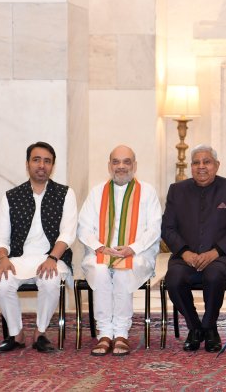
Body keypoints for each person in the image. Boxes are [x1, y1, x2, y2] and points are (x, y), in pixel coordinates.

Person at [161, 144, 226, 353]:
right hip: (185, 256)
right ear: (191, 167)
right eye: (196, 163)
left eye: (206, 162)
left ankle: (209, 327)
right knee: (173, 280)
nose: (201, 167)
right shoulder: (177, 190)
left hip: (220, 257)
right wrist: (185, 253)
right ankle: (195, 328)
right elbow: (167, 228)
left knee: (214, 276)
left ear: (216, 165)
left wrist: (215, 252)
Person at [0, 141, 77, 353]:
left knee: (50, 279)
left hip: (52, 257)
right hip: (18, 258)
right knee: (1, 283)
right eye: (36, 160)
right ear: (28, 164)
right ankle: (16, 334)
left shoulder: (65, 194)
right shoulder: (11, 196)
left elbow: (68, 233)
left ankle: (40, 333)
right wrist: (3, 259)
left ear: (52, 166)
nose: (42, 165)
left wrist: (52, 258)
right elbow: (0, 238)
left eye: (47, 161)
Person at [77, 145, 161, 356]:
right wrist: (100, 247)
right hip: (101, 251)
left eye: (126, 162)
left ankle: (121, 333)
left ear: (134, 165)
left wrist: (132, 249)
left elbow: (154, 228)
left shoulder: (148, 192)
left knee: (123, 270)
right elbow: (83, 227)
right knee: (101, 271)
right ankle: (105, 333)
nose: (121, 166)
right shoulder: (97, 192)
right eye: (116, 162)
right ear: (109, 166)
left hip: (138, 253)